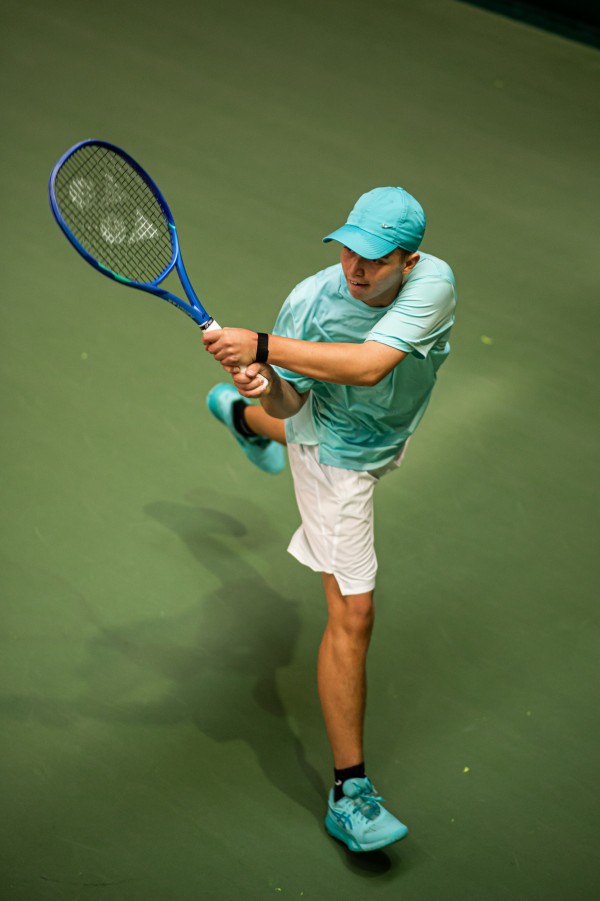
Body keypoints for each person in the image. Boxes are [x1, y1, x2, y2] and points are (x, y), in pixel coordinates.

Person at [202, 187, 457, 853]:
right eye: (348, 250)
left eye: (375, 258)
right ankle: (350, 793)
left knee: (290, 424)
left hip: (383, 429)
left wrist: (262, 347)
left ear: (408, 261)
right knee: (353, 613)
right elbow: (294, 407)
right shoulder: (309, 304)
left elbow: (370, 368)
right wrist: (266, 383)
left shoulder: (434, 282)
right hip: (336, 455)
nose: (356, 267)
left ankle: (237, 418)